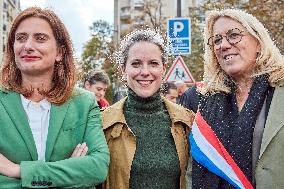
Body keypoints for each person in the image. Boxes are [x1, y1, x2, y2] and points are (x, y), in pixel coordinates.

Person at [0, 7, 109, 188]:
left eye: (40, 38)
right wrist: (68, 174)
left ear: (59, 52)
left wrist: (17, 171)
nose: (28, 46)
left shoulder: (84, 102)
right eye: (21, 38)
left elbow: (97, 168)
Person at [187, 9, 284, 189]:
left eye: (233, 35)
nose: (223, 45)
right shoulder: (202, 98)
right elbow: (192, 167)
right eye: (217, 40)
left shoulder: (280, 90)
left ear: (258, 42)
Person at [102, 29, 195, 189]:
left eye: (153, 63)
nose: (145, 72)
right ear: (124, 69)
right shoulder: (101, 123)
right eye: (136, 64)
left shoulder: (187, 122)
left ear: (163, 69)